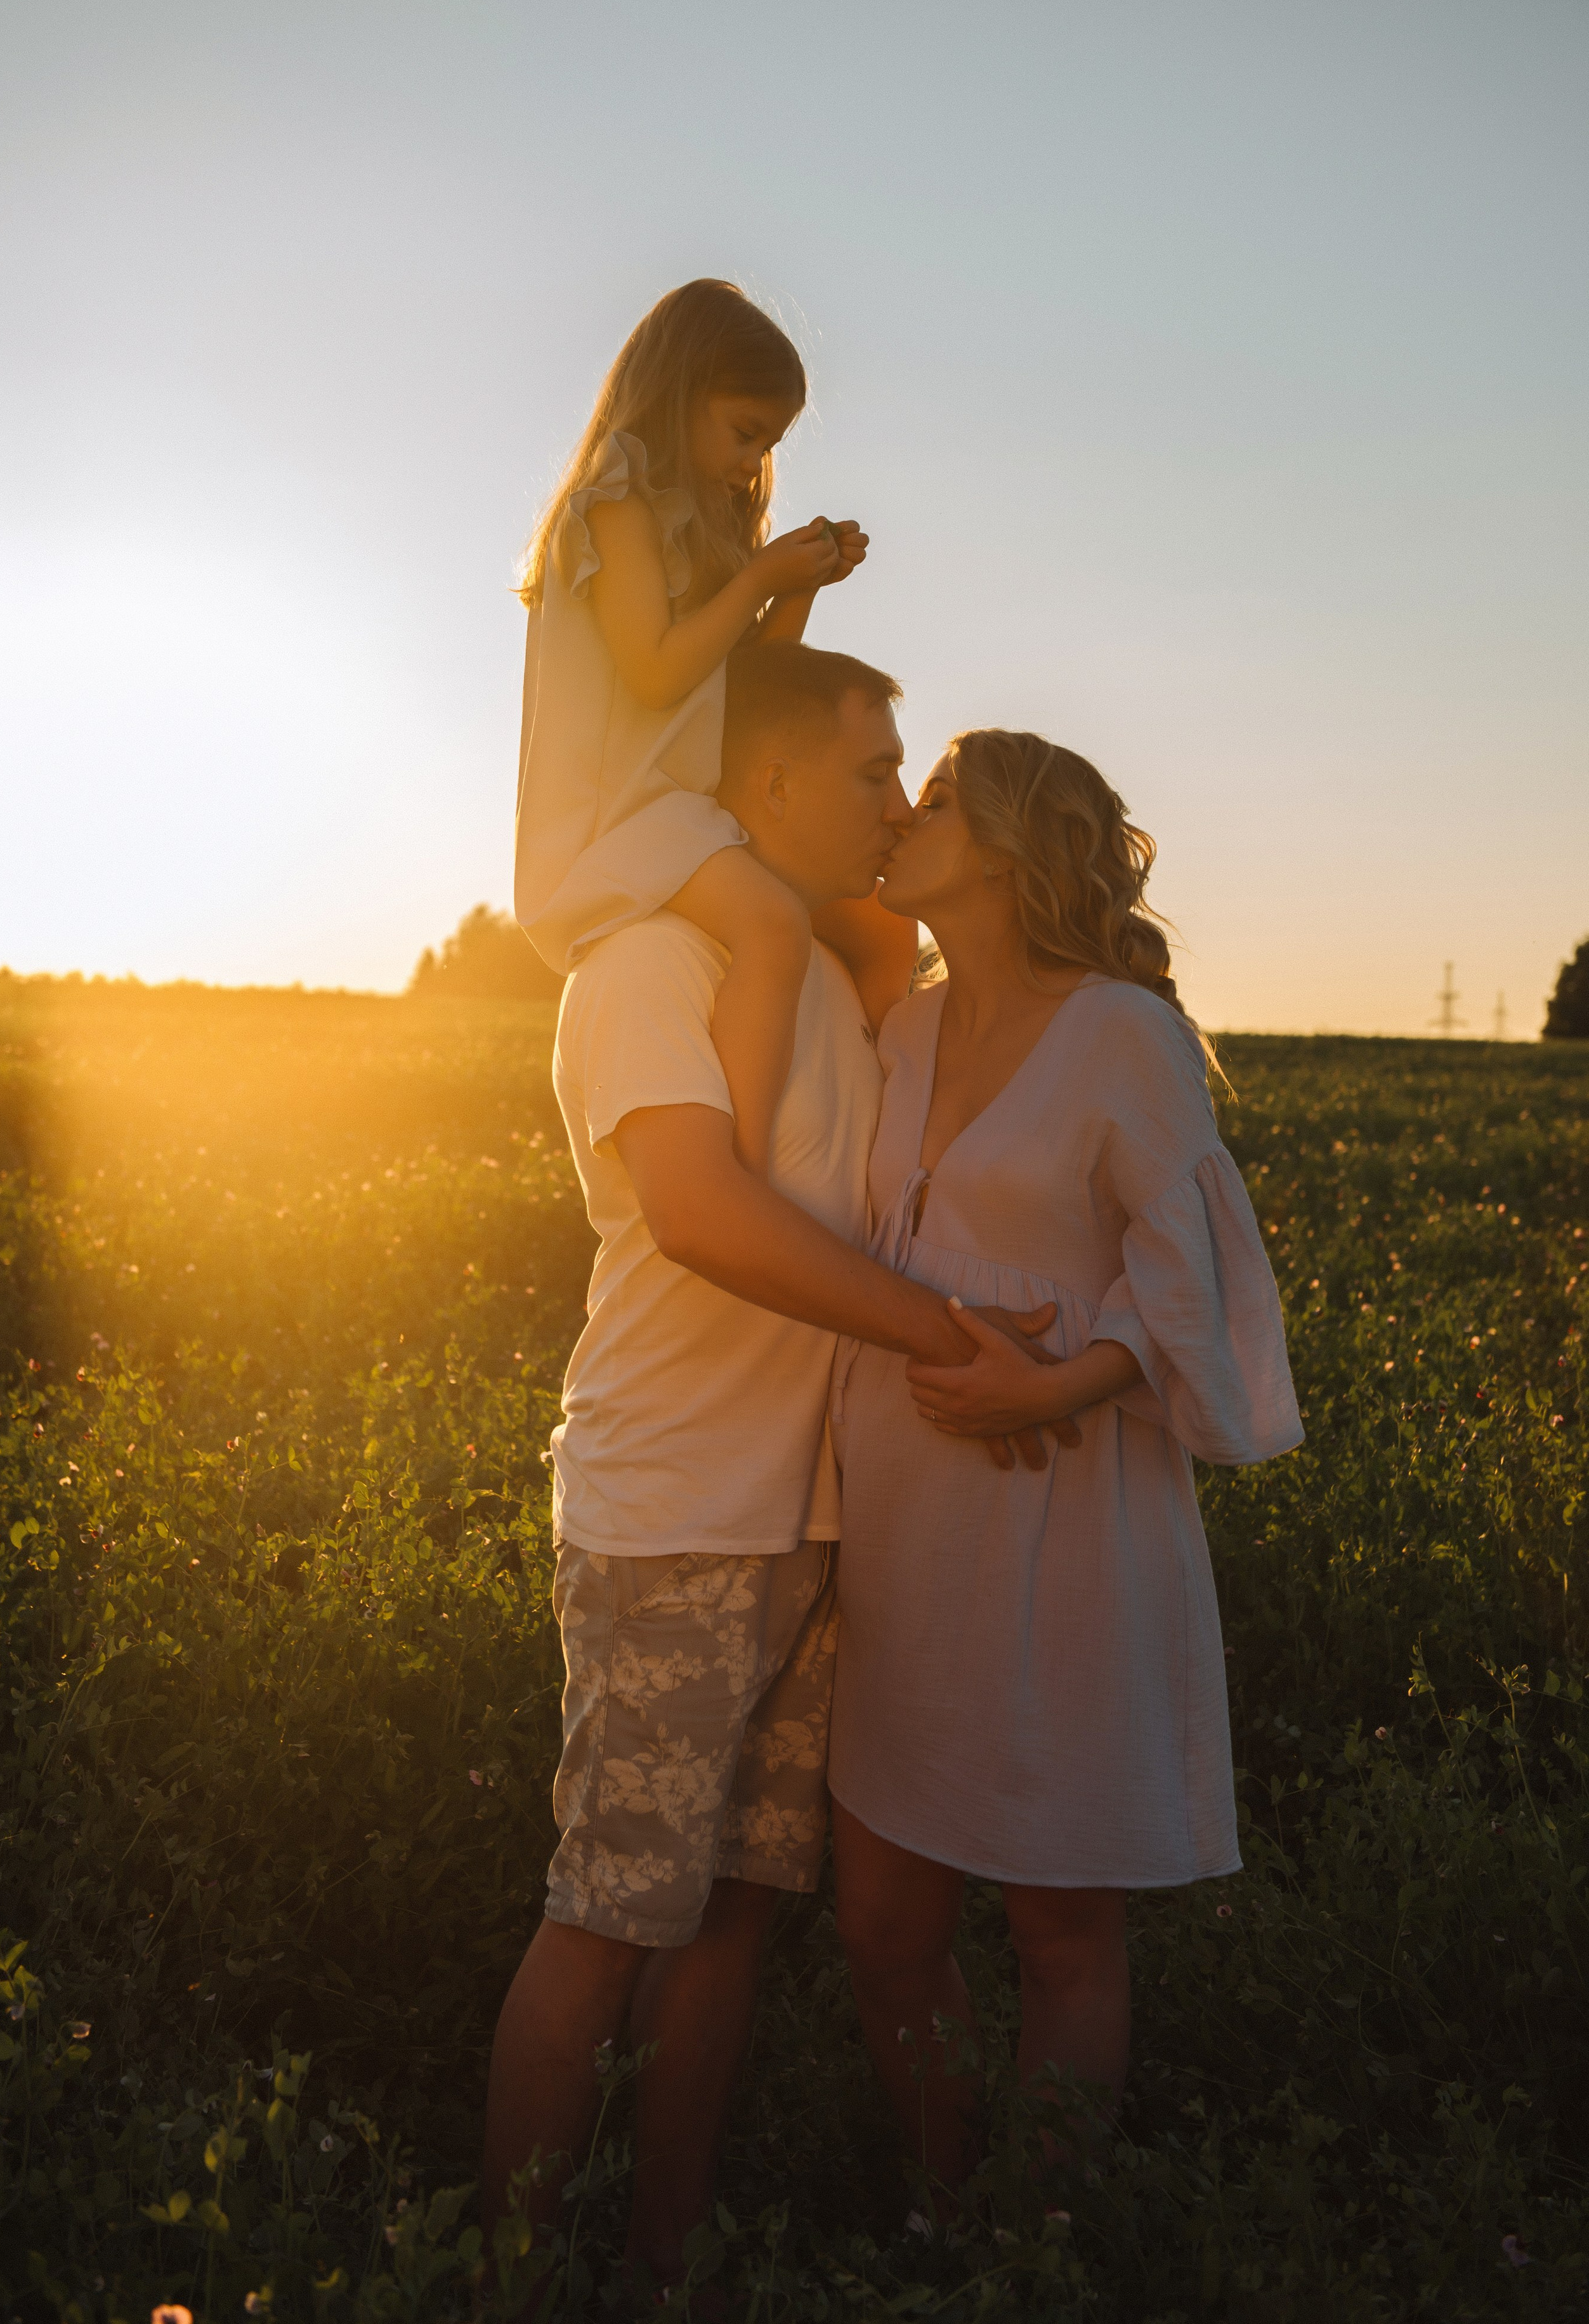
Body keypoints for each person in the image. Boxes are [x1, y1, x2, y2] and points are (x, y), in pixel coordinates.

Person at [481, 648, 1063, 2287]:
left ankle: (662, 2265)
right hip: (673, 1516)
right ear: (769, 784)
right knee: (608, 1918)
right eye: (873, 770)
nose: (895, 801)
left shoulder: (825, 977)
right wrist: (950, 1334)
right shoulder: (645, 963)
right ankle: (502, 2287)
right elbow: (700, 1213)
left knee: (733, 1914)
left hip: (813, 1526)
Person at [827, 728, 1304, 2192]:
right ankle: (938, 2205)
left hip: (1069, 1517)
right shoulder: (898, 1028)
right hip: (901, 1526)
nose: (900, 816)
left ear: (1006, 846)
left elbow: (1190, 1275)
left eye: (933, 799)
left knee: (1059, 1927)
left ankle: (1032, 2250)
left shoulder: (1119, 1033)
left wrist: (1054, 1387)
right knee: (883, 1924)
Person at [515, 275, 896, 1172]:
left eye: (769, 444)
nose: (753, 462)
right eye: (744, 432)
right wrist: (760, 578)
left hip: (684, 811)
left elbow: (742, 696)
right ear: (680, 395)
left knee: (873, 919)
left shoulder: (705, 528)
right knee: (774, 926)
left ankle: (889, 1130)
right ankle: (746, 1164)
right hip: (619, 822)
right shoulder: (618, 505)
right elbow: (657, 672)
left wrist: (797, 587)